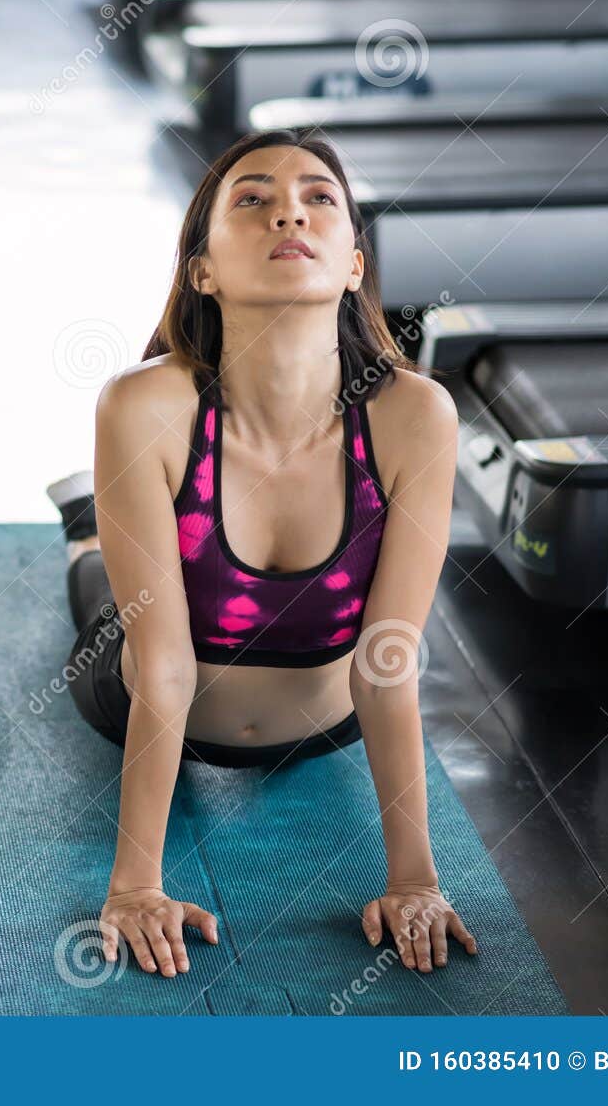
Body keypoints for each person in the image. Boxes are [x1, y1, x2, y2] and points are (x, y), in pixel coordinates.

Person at [45, 128, 478, 981]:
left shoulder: (413, 415)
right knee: (104, 595)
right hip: (135, 685)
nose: (290, 208)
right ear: (201, 268)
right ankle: (86, 528)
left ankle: (94, 523)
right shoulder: (145, 404)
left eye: (320, 197)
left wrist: (416, 880)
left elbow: (387, 661)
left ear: (354, 262)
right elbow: (161, 663)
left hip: (325, 728)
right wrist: (136, 883)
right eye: (252, 199)